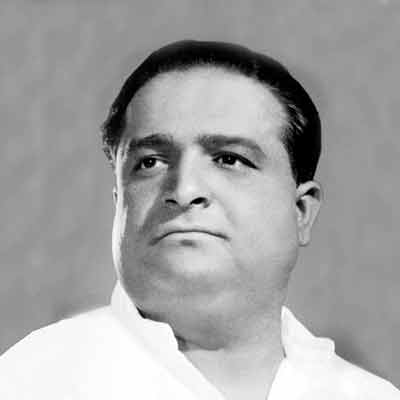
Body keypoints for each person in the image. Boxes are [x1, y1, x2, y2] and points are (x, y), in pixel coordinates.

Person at [0, 40, 398, 399]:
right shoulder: (30, 381)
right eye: (150, 162)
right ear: (119, 200)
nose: (185, 189)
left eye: (229, 159)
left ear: (301, 211)